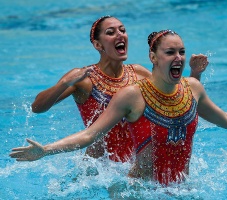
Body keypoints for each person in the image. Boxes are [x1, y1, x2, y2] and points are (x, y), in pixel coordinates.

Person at [10, 30, 227, 186]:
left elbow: (224, 118)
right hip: (139, 191)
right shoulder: (131, 96)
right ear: (153, 57)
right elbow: (89, 136)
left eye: (181, 51)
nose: (178, 56)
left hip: (182, 188)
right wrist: (45, 151)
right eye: (170, 52)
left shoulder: (192, 87)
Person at [30, 16, 209, 162]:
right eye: (111, 32)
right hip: (100, 169)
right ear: (98, 45)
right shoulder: (84, 78)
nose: (120, 35)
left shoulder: (138, 73)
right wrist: (64, 84)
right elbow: (37, 108)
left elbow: (180, 101)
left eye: (122, 30)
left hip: (133, 166)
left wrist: (195, 73)